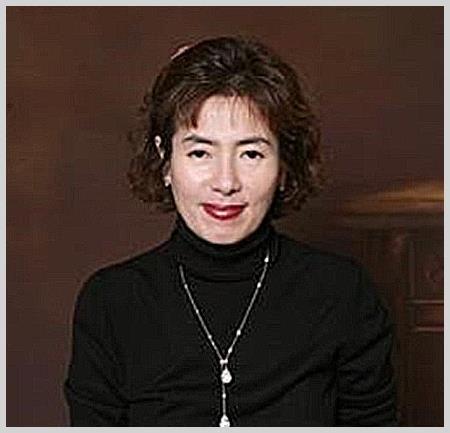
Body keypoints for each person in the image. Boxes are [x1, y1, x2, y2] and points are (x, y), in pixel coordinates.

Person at [63, 36, 397, 426]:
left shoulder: (342, 293)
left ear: (284, 166)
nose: (225, 182)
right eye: (200, 152)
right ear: (165, 161)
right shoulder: (111, 302)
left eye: (251, 153)